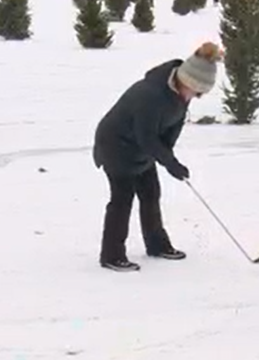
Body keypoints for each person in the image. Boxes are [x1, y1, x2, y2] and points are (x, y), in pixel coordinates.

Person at [92, 42, 219, 271]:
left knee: (151, 195)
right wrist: (170, 163)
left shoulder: (180, 97)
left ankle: (157, 245)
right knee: (122, 200)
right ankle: (111, 255)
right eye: (197, 91)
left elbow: (169, 133)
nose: (197, 96)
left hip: (141, 150)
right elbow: (147, 137)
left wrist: (170, 159)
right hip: (115, 146)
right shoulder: (150, 95)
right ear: (187, 81)